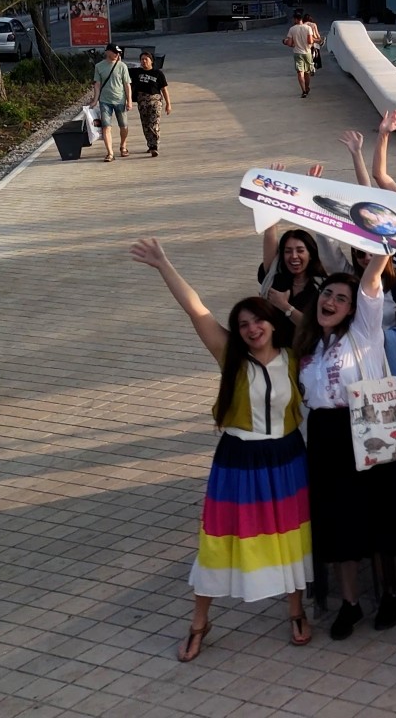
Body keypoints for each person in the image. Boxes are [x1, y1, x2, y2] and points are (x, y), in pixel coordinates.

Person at [129, 239, 312, 662]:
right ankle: (199, 622)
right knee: (220, 541)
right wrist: (164, 264)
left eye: (258, 320)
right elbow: (196, 309)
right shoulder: (231, 355)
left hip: (287, 458)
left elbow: (320, 328)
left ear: (271, 322)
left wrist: (286, 305)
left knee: (290, 537)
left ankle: (296, 611)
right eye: (243, 324)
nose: (251, 329)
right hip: (239, 462)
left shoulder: (293, 356)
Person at [296, 250, 396, 639]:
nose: (330, 301)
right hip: (324, 438)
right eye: (327, 294)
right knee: (335, 522)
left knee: (376, 516)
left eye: (342, 298)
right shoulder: (308, 344)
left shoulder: (364, 333)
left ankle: (389, 594)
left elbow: (372, 279)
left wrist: (381, 239)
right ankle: (350, 603)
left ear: (353, 309)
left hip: (364, 429)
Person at [89, 44, 132, 161]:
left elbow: (127, 84)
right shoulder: (99, 66)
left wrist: (129, 100)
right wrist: (95, 100)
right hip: (105, 101)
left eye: (118, 52)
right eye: (114, 52)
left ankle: (123, 146)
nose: (117, 54)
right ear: (107, 52)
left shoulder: (122, 66)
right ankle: (110, 153)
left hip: (120, 100)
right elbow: (97, 84)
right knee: (106, 127)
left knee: (124, 126)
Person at [131, 52, 171, 157]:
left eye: (146, 59)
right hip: (142, 102)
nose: (144, 61)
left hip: (155, 101)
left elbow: (164, 89)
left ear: (151, 61)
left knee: (154, 123)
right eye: (142, 59)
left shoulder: (158, 73)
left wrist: (168, 104)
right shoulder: (136, 72)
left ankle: (154, 146)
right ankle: (150, 144)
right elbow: (123, 71)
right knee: (145, 124)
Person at [283, 11, 320, 98]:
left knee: (300, 73)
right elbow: (310, 41)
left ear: (296, 19)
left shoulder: (292, 29)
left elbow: (290, 43)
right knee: (307, 73)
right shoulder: (308, 28)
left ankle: (303, 91)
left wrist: (287, 42)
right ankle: (307, 87)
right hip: (307, 53)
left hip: (297, 53)